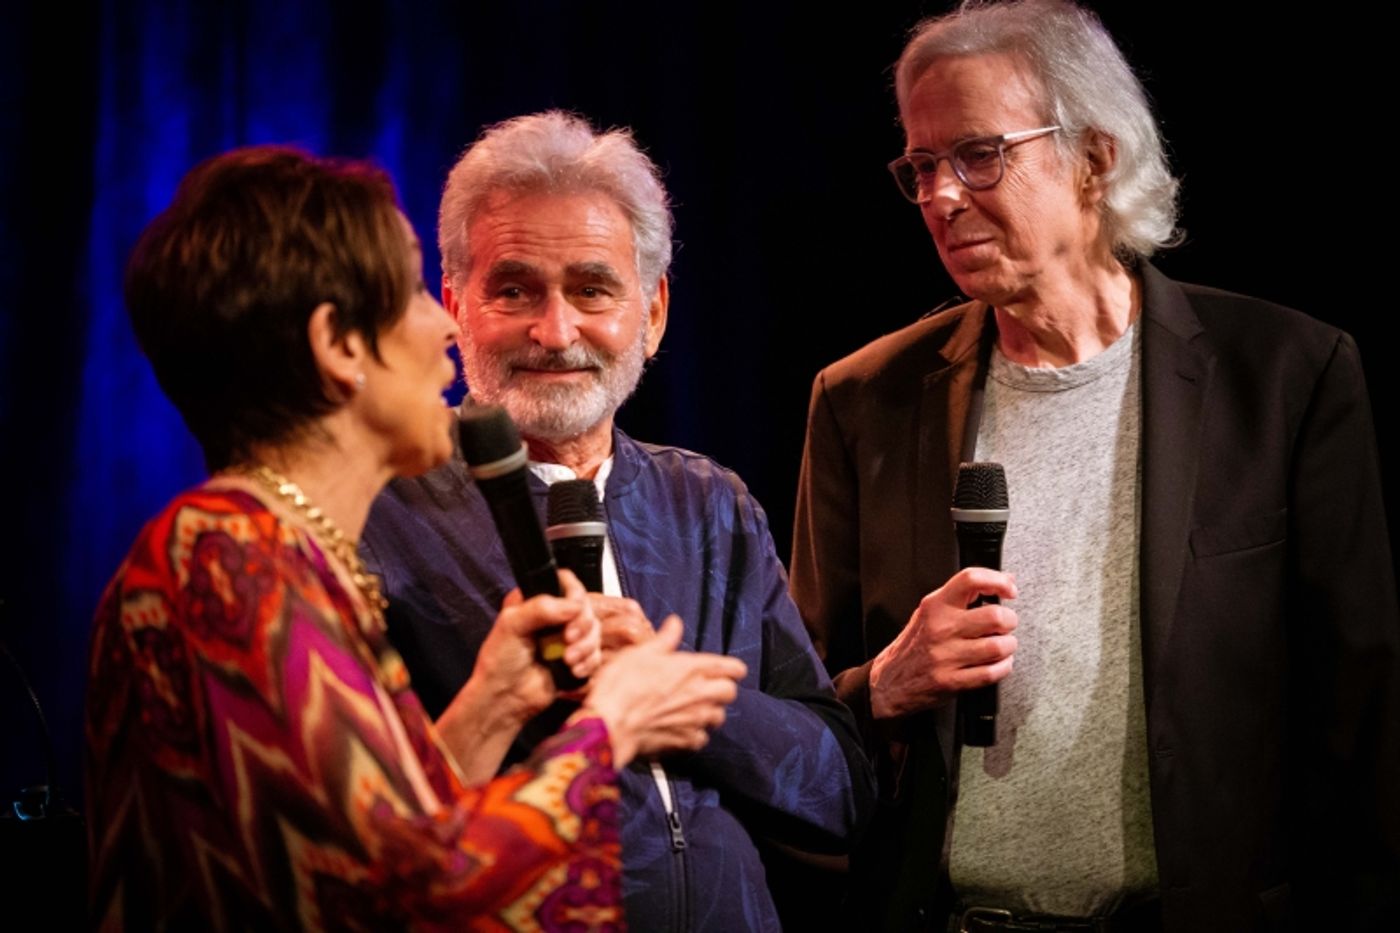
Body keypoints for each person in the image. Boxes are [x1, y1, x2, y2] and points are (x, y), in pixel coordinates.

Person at [789, 2, 1400, 931]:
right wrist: (884, 683)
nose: (942, 196)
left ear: (1094, 157)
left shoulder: (1283, 376)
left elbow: (1360, 718)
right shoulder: (863, 399)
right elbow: (792, 706)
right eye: (920, 166)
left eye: (978, 154)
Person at [84, 145, 748, 930]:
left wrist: (496, 699)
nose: (445, 324)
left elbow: (388, 836)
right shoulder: (225, 564)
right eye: (409, 293)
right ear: (339, 345)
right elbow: (400, 899)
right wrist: (611, 727)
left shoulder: (277, 552)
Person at [361, 110, 875, 931]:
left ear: (655, 309)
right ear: (455, 305)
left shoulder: (710, 501)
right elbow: (355, 845)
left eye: (592, 289)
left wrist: (691, 705)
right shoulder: (382, 512)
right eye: (514, 289)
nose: (556, 331)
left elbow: (840, 791)